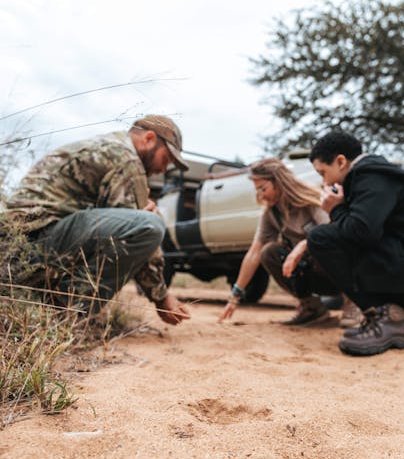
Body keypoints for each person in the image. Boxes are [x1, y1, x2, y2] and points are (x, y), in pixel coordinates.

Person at [4, 115, 190, 325]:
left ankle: (48, 303)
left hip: (18, 245)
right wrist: (161, 297)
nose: (164, 169)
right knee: (150, 224)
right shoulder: (126, 159)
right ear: (148, 139)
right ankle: (62, 316)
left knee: (144, 220)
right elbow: (140, 233)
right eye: (166, 159)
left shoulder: (109, 146)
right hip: (33, 243)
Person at [307, 130, 404, 355]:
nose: (324, 181)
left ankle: (386, 318)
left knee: (320, 238)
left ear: (340, 161)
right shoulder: (369, 178)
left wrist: (336, 209)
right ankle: (388, 317)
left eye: (323, 172)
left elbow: (361, 232)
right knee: (329, 235)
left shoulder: (373, 177)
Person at [219, 157, 347, 326]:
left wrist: (301, 246)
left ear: (278, 182)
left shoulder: (311, 200)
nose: (261, 196)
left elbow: (333, 233)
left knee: (327, 244)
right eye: (257, 191)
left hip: (339, 274)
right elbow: (254, 253)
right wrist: (235, 296)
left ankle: (353, 303)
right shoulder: (272, 214)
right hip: (312, 275)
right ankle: (312, 309)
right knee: (269, 252)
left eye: (263, 188)